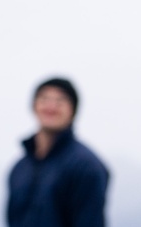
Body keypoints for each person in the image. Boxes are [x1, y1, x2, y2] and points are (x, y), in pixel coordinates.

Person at [7, 77, 109, 227]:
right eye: (44, 99)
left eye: (60, 101)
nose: (51, 106)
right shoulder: (20, 168)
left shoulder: (86, 166)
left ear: (73, 111)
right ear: (34, 106)